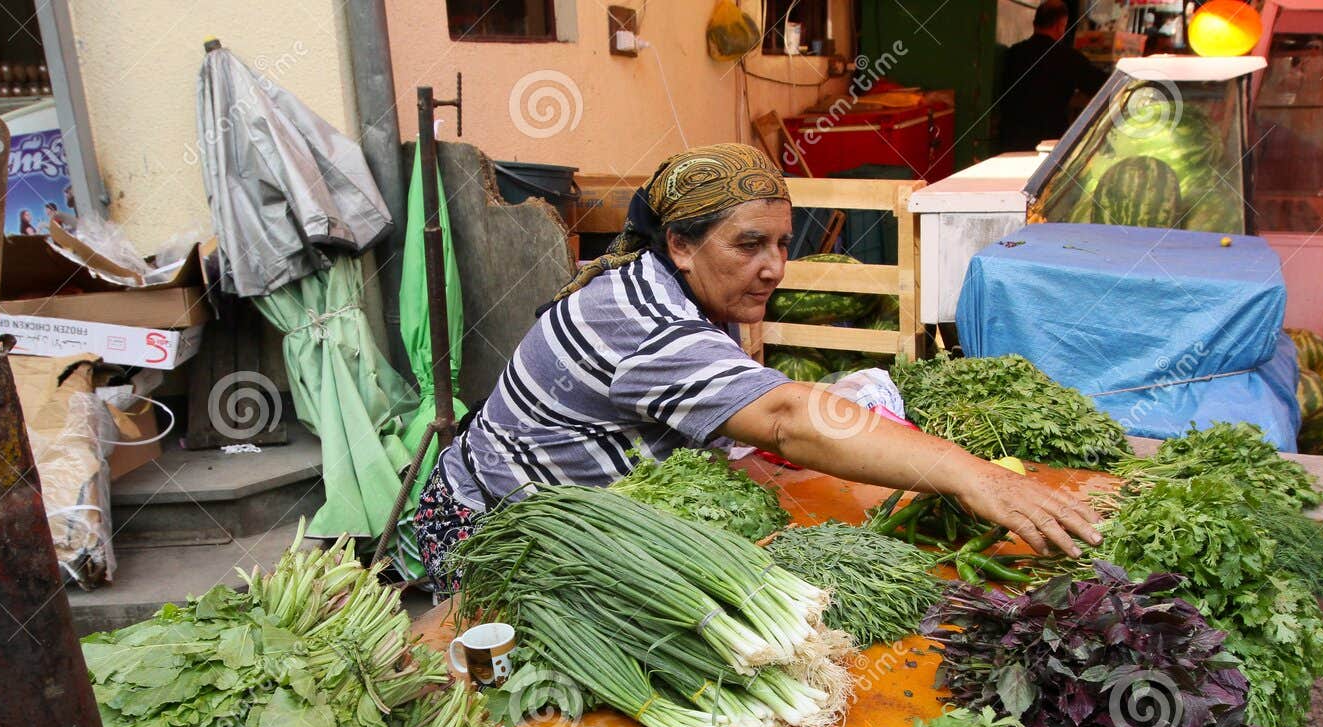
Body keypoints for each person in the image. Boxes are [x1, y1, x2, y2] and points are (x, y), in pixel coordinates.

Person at [413, 143, 1099, 598]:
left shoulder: (685, 287)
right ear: (679, 243)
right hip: (494, 536)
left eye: (780, 243)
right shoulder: (639, 319)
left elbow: (756, 408)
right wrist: (974, 476)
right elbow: (784, 416)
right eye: (749, 244)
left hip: (598, 515)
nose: (774, 266)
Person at [998, 2, 1110, 152]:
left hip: (1011, 141)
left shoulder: (1012, 54)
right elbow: (1104, 87)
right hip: (1050, 145)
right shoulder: (1070, 59)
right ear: (1060, 26)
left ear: (1034, 24)